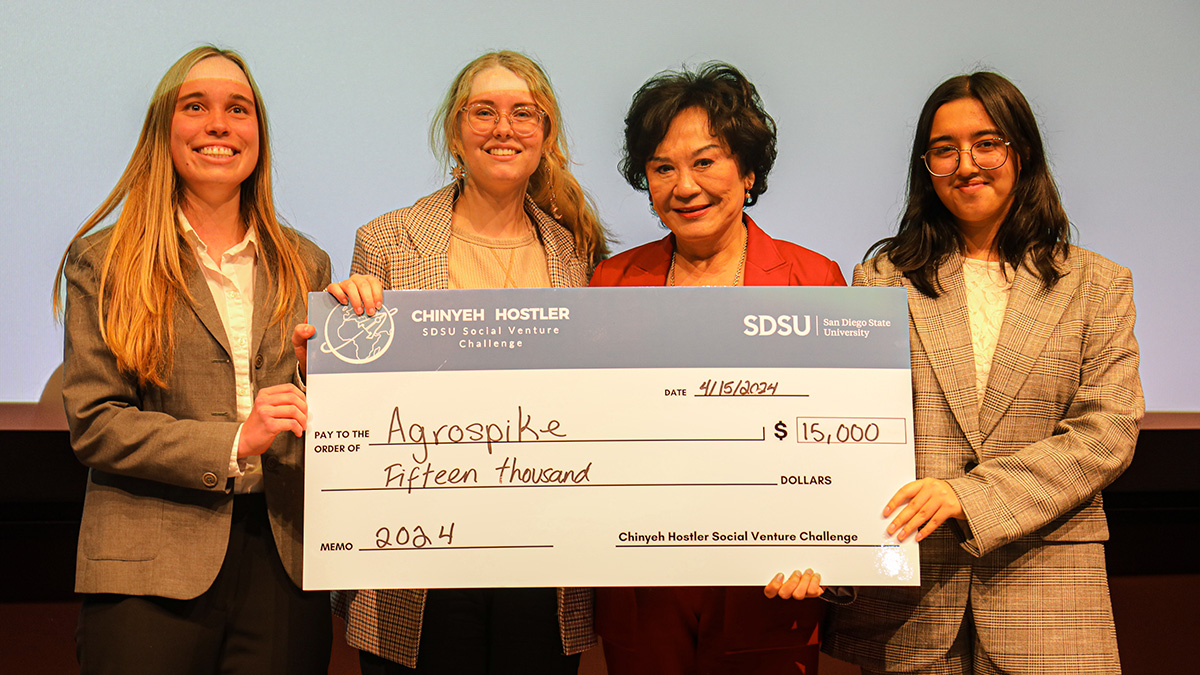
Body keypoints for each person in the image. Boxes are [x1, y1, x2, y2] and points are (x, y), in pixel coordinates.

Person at [822, 72, 1142, 674]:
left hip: (1051, 598)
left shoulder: (1097, 283)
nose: (966, 164)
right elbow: (850, 435)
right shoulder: (881, 281)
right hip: (915, 607)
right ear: (926, 166)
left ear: (1022, 152)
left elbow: (1107, 434)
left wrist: (966, 496)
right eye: (944, 149)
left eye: (987, 143)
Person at [327, 50, 610, 674]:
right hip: (419, 563)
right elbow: (360, 405)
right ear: (455, 133)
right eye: (482, 112)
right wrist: (341, 334)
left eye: (522, 113)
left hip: (542, 556)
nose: (502, 128)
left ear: (546, 136)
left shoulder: (576, 252)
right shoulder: (387, 240)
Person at [54, 46, 333, 674]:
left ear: (257, 133)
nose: (218, 124)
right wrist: (236, 440)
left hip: (284, 561)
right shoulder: (104, 262)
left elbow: (321, 418)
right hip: (146, 569)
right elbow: (96, 423)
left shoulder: (306, 263)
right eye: (195, 106)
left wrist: (341, 365)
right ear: (163, 129)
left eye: (238, 109)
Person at [589, 62, 846, 674]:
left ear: (748, 171)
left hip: (773, 584)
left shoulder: (816, 281)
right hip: (643, 588)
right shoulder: (611, 283)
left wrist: (827, 543)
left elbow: (841, 440)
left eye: (706, 161)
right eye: (662, 167)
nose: (685, 185)